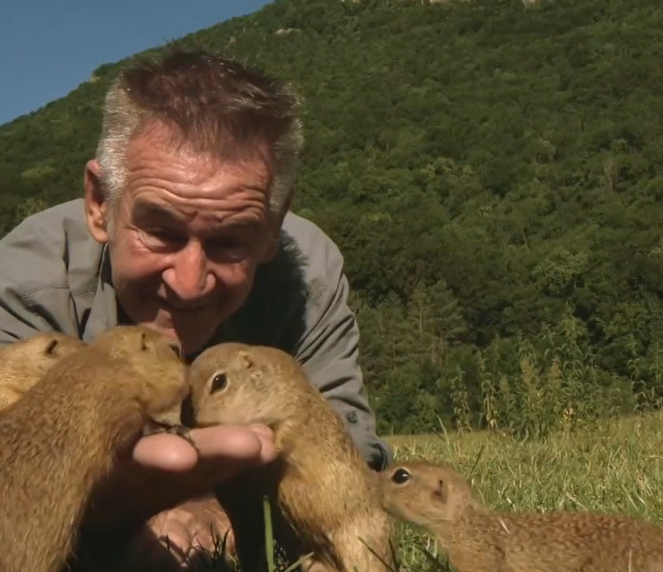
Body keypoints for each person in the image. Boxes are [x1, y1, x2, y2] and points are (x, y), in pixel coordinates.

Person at [0, 49, 392, 570]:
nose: (188, 284)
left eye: (230, 242)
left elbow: (350, 457)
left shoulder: (308, 279)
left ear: (274, 227)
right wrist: (115, 515)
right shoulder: (27, 283)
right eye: (160, 232)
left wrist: (233, 511)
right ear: (100, 203)